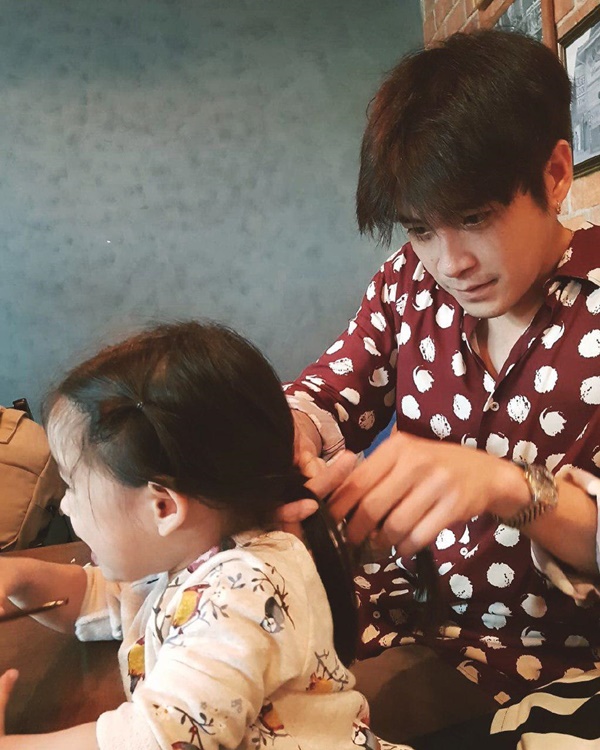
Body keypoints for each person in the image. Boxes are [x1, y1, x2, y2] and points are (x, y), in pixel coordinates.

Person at [285, 27, 600, 722]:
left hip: (549, 666)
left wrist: (506, 485)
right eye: (421, 230)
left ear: (555, 174)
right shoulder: (408, 284)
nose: (449, 263)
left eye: (475, 218)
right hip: (399, 615)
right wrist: (292, 434)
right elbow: (329, 391)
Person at [0, 321, 410, 750]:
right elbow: (102, 598)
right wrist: (21, 580)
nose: (65, 506)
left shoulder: (240, 592)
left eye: (71, 486)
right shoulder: (193, 549)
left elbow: (159, 738)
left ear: (163, 507)